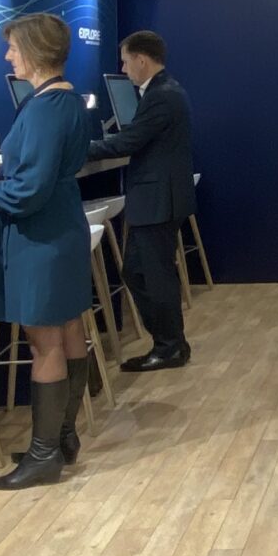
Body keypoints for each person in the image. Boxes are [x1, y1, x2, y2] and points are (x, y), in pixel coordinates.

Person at [0, 13, 95, 490]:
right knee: (68, 327)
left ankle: (44, 454)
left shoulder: (44, 107)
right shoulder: (66, 101)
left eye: (13, 48)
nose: (8, 56)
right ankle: (61, 438)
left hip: (40, 235)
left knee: (44, 340)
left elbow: (30, 188)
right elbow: (42, 162)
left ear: (33, 50)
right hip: (62, 229)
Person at [102, 30, 195, 373]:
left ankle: (169, 346)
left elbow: (128, 142)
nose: (124, 70)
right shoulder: (165, 91)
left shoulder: (161, 96)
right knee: (141, 272)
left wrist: (75, 148)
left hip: (158, 200)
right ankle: (171, 343)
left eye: (126, 62)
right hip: (159, 198)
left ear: (142, 60)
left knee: (153, 275)